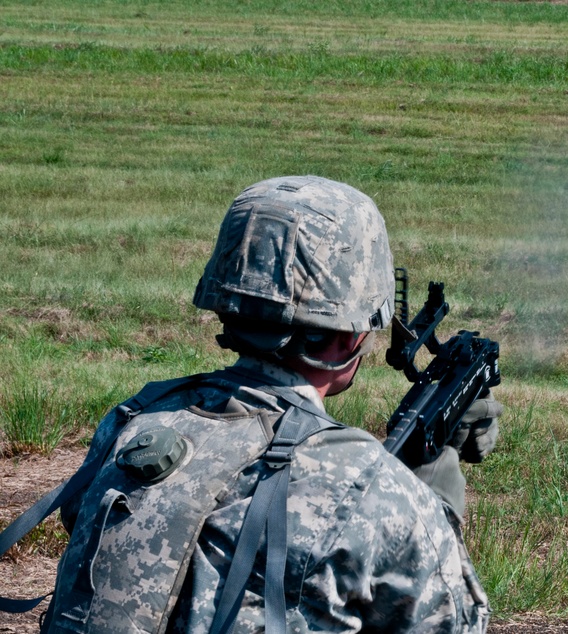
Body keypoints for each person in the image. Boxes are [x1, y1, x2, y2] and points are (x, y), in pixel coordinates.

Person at [43, 175, 500, 633]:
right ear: (348, 337)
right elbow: (454, 623)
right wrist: (435, 491)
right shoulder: (370, 485)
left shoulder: (138, 418)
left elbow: (86, 524)